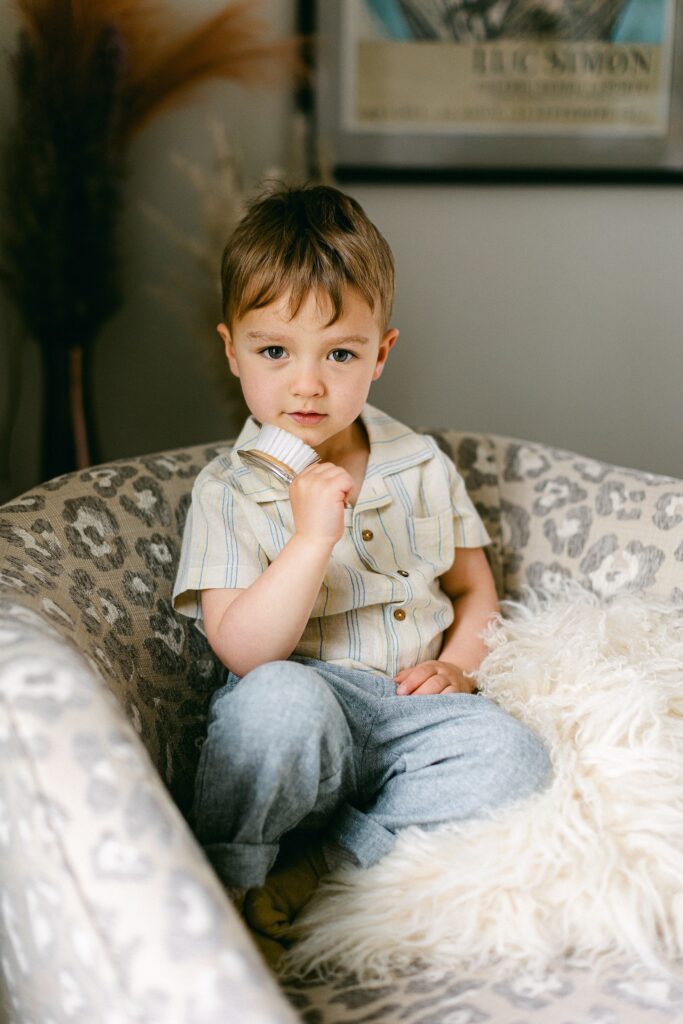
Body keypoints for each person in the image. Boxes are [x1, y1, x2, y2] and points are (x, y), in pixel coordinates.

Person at [172, 183, 552, 965]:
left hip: (409, 712)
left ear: (379, 354)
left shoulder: (418, 463)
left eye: (339, 353)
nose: (307, 383)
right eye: (275, 351)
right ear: (231, 349)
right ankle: (231, 883)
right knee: (268, 708)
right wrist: (310, 540)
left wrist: (457, 667)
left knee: (514, 757)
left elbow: (472, 588)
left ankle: (326, 865)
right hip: (311, 700)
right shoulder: (229, 489)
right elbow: (244, 652)